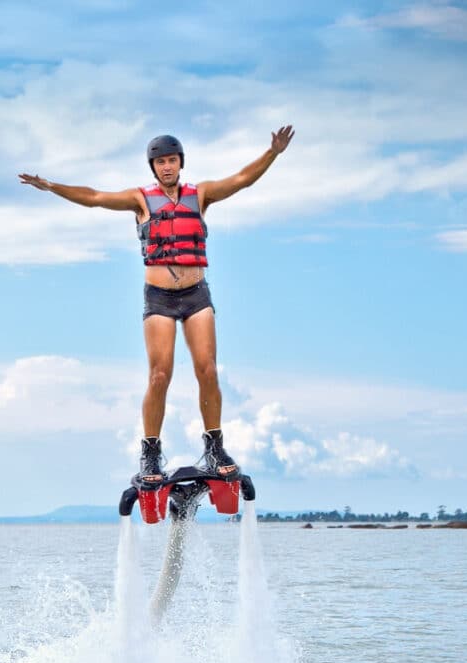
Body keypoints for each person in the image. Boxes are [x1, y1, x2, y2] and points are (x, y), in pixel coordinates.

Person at [19, 126, 295, 487]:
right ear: (153, 167)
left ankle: (215, 447)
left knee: (208, 369)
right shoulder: (140, 200)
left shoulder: (202, 194)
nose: (167, 167)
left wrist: (271, 153)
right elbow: (95, 197)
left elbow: (242, 179)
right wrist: (53, 187)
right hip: (159, 298)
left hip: (196, 294)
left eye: (172, 160)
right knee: (159, 374)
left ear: (181, 163)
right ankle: (150, 452)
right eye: (161, 162)